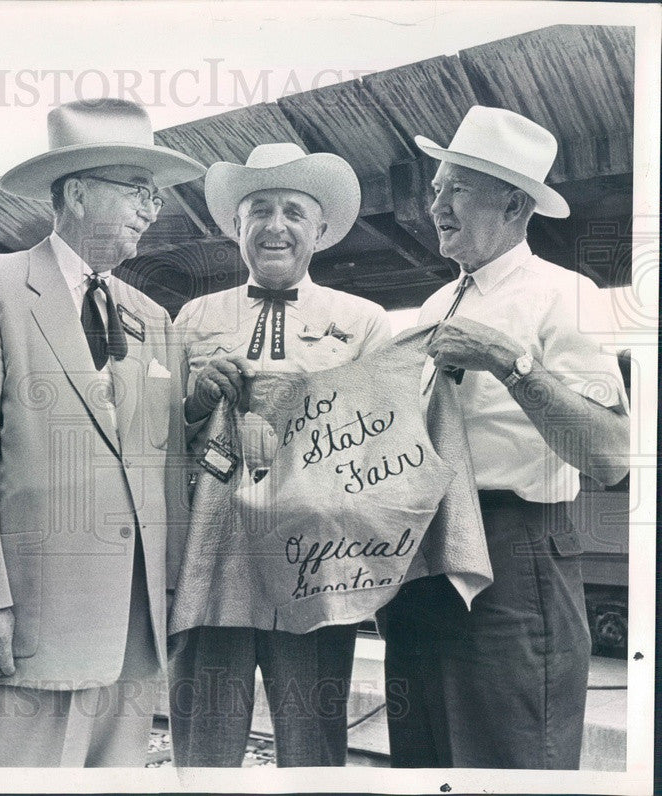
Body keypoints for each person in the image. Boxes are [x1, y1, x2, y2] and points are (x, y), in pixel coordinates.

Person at [0, 98, 204, 767]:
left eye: (155, 197)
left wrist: (172, 595)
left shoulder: (154, 317)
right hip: (31, 623)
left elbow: (163, 466)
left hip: (135, 627)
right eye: (137, 190)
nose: (150, 209)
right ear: (76, 192)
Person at [379, 105, 630, 769]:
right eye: (435, 188)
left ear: (514, 204)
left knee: (512, 761)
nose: (436, 204)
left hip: (512, 558)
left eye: (456, 187)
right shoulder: (436, 304)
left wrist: (513, 364)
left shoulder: (565, 295)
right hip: (421, 558)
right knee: (424, 762)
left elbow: (608, 455)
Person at [168, 143, 391, 767]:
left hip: (312, 566)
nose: (275, 226)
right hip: (211, 561)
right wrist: (193, 403)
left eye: (294, 211)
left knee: (313, 748)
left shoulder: (366, 321)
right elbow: (153, 444)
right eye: (258, 209)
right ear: (236, 227)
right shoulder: (193, 317)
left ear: (319, 230)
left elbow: (384, 447)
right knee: (203, 750)